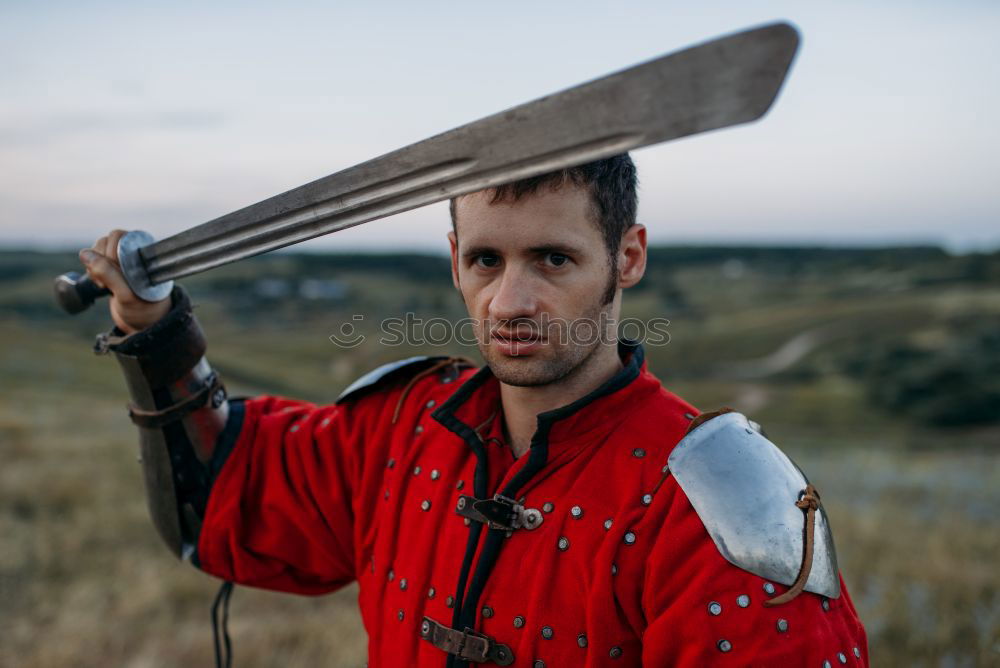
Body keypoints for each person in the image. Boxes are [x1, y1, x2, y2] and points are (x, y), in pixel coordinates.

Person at [79, 155, 868, 667]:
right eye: (487, 260)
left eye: (553, 259)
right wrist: (156, 337)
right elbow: (223, 495)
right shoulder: (403, 424)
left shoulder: (715, 497)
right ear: (455, 260)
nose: (511, 301)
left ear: (626, 258)